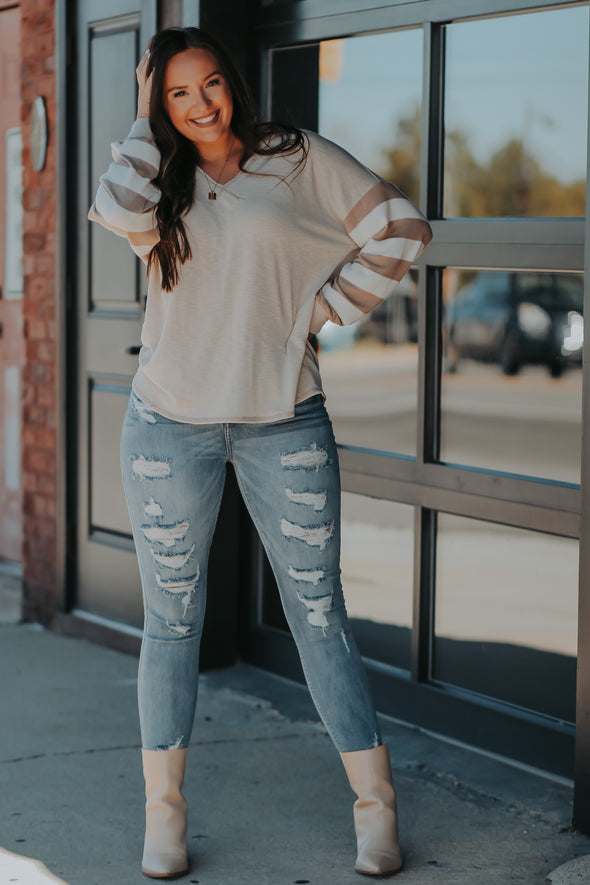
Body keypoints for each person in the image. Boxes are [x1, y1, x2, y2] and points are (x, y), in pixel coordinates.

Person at [89, 26, 432, 880]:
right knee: (171, 621)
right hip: (169, 425)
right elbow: (114, 209)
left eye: (208, 84)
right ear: (159, 102)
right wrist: (140, 117)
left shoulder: (295, 157)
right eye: (176, 93)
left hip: (285, 419)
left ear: (231, 82)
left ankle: (376, 811)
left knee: (319, 616)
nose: (199, 103)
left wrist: (318, 313)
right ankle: (163, 818)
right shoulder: (155, 177)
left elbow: (398, 227)